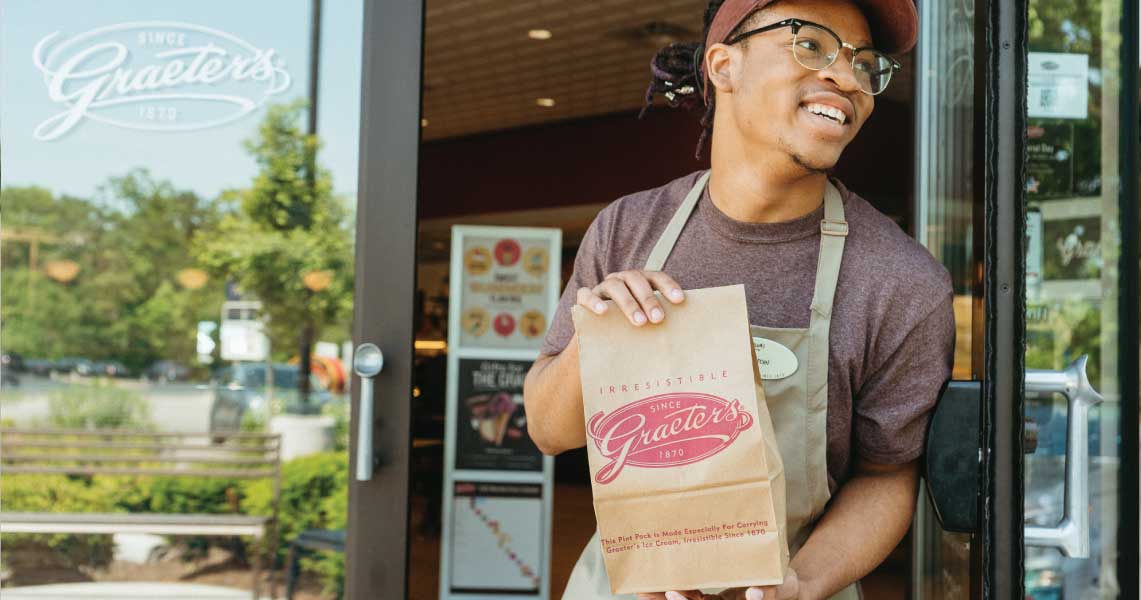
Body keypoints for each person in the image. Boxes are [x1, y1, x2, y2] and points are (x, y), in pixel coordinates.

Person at [523, 0, 954, 598]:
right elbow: (548, 431)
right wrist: (599, 335)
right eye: (811, 45)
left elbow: (886, 476)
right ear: (724, 65)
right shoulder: (627, 231)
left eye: (864, 63)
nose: (847, 77)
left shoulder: (901, 282)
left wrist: (802, 583)